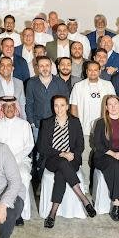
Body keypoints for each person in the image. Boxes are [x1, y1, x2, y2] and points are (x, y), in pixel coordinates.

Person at [37, 95, 95, 228]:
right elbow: (42, 147)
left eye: (62, 105)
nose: (59, 108)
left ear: (67, 107)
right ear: (53, 107)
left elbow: (80, 145)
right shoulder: (47, 123)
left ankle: (52, 213)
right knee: (62, 163)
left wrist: (72, 154)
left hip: (72, 159)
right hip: (53, 159)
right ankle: (84, 199)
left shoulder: (75, 122)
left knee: (61, 173)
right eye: (56, 105)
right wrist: (62, 153)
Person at [0, 96, 34, 225]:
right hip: (0, 162)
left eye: (12, 106)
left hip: (21, 161)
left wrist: (15, 159)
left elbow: (29, 145)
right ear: (1, 109)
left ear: (16, 108)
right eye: (6, 106)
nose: (9, 109)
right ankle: (0, 210)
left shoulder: (24, 125)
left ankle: (20, 213)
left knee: (23, 176)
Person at [69, 60, 116, 185]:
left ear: (100, 71)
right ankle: (85, 185)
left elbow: (114, 106)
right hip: (84, 129)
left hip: (104, 131)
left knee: (104, 157)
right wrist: (76, 128)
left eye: (95, 70)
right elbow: (74, 108)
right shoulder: (78, 86)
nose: (93, 72)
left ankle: (101, 187)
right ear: (86, 71)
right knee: (85, 159)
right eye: (90, 70)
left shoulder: (108, 85)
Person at [92, 95, 119, 222]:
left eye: (115, 104)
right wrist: (112, 153)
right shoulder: (101, 123)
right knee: (115, 166)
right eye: (110, 104)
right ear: (106, 107)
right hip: (104, 155)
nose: (113, 107)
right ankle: (116, 203)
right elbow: (97, 144)